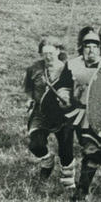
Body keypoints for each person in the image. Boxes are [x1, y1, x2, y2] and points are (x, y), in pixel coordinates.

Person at [23, 36, 75, 189]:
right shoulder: (34, 69)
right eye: (44, 53)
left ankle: (68, 183)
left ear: (58, 51)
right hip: (41, 112)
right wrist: (30, 99)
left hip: (63, 115)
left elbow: (76, 91)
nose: (48, 57)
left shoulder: (68, 70)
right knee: (36, 144)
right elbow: (29, 88)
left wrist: (68, 100)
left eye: (51, 53)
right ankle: (47, 162)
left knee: (65, 151)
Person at [66, 28, 101, 201]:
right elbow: (64, 87)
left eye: (95, 46)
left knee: (93, 149)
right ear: (81, 48)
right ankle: (83, 187)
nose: (91, 50)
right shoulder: (73, 65)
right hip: (79, 112)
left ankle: (82, 189)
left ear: (100, 48)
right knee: (88, 146)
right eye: (87, 46)